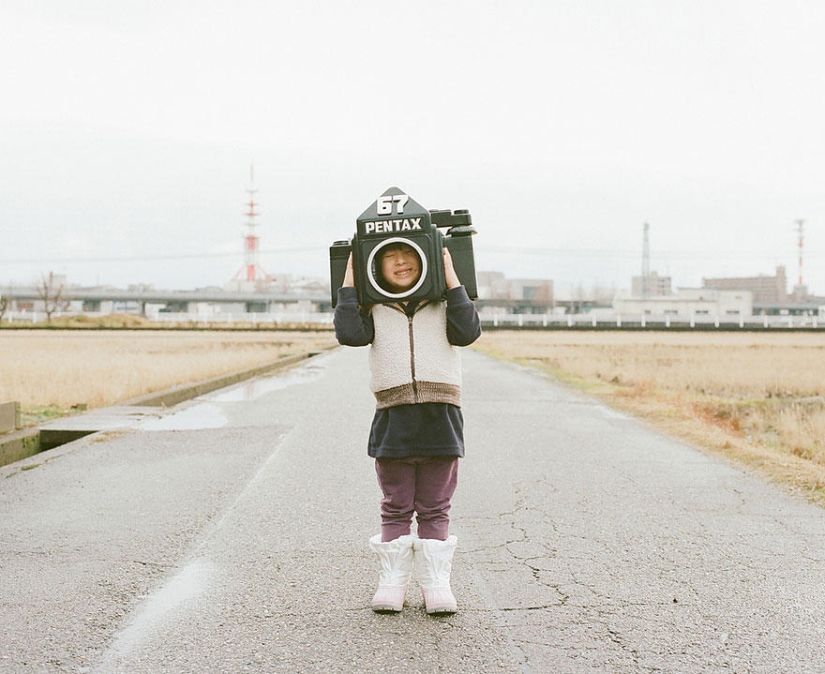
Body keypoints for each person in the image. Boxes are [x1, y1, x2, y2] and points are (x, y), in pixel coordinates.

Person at [333, 241, 481, 614]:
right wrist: (350, 278)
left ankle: (435, 584)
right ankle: (393, 582)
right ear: (374, 265)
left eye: (410, 255)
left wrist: (450, 276)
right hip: (393, 416)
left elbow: (467, 331)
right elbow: (349, 333)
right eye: (389, 256)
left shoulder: (444, 302)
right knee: (395, 504)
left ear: (428, 258)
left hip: (440, 416)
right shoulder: (375, 307)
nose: (400, 262)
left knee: (435, 505)